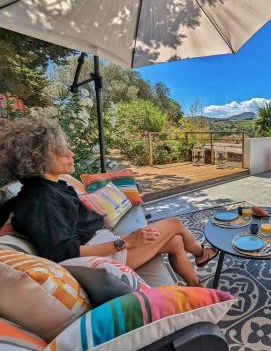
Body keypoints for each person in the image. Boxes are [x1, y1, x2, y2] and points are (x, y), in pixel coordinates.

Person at [0, 118, 218, 287]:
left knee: (177, 242)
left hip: (102, 242)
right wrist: (126, 242)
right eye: (63, 150)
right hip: (103, 258)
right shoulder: (42, 200)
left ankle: (196, 287)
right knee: (175, 224)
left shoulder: (45, 188)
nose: (71, 153)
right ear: (41, 158)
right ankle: (201, 254)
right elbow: (64, 253)